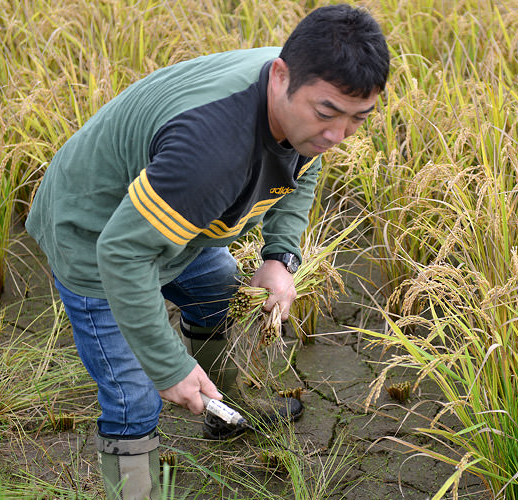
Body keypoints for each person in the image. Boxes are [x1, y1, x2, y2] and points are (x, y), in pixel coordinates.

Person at [25, 4, 389, 498]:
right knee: (135, 396)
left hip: (176, 224)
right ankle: (134, 492)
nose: (336, 135)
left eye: (356, 119)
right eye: (327, 114)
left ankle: (222, 409)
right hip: (94, 234)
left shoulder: (306, 95)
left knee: (216, 288)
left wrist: (280, 257)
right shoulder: (212, 150)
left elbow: (302, 162)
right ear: (280, 75)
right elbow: (122, 254)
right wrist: (169, 368)